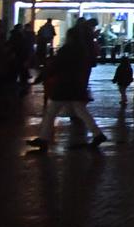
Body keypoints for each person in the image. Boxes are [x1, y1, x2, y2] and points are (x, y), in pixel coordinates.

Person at [31, 22, 103, 151]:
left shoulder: (67, 50)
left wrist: (42, 76)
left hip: (64, 84)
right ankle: (97, 133)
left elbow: (55, 65)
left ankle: (43, 139)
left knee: (52, 112)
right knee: (80, 110)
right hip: (76, 84)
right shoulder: (82, 50)